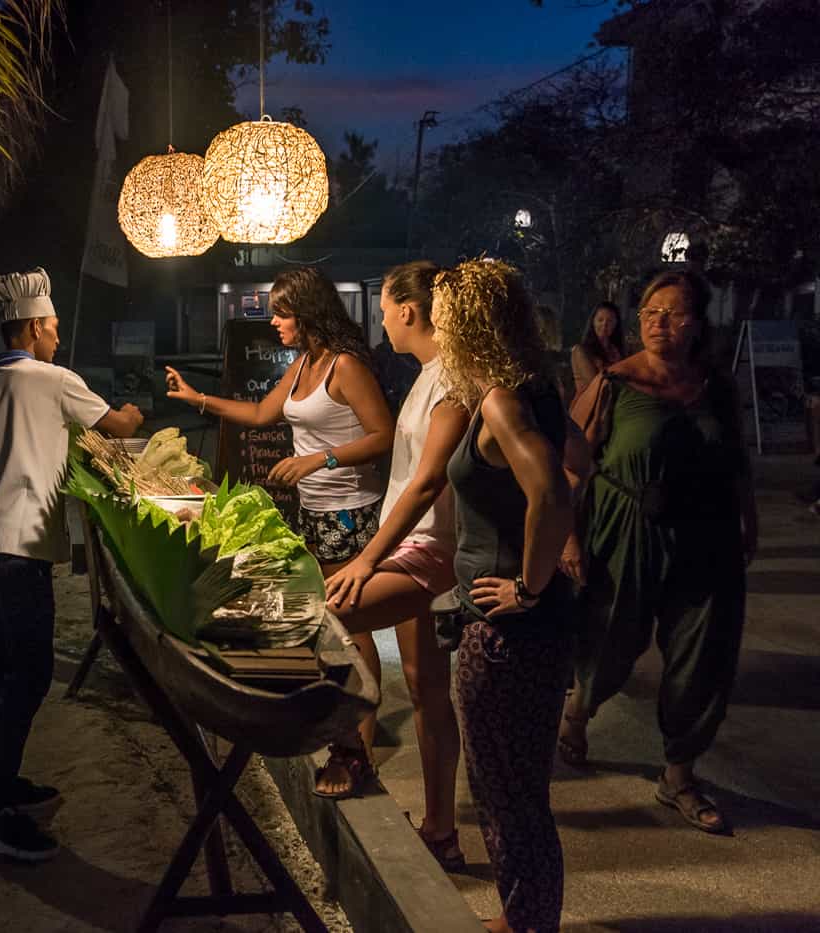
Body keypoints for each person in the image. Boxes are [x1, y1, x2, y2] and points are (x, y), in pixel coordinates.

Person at [0, 267, 142, 862]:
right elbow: (119, 427)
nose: (57, 338)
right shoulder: (57, 382)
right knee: (28, 675)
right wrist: (132, 409)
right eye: (52, 328)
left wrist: (4, 457)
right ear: (31, 327)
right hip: (25, 550)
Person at [166, 266, 394, 781]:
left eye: (280, 311)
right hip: (311, 513)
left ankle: (359, 748)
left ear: (307, 312)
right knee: (328, 625)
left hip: (350, 513)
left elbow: (385, 434)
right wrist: (195, 398)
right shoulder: (304, 364)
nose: (272, 321)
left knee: (347, 628)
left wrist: (320, 460)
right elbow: (261, 414)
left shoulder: (345, 366)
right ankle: (349, 738)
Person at [558, 270, 756, 836]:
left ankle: (679, 776)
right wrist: (569, 536)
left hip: (708, 532)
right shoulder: (613, 383)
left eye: (672, 313)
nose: (657, 322)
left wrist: (750, 519)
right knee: (610, 636)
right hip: (628, 527)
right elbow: (571, 466)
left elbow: (737, 456)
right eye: (649, 311)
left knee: (702, 651)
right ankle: (579, 709)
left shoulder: (716, 384)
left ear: (698, 324)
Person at [436, 259, 576, 933]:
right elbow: (580, 460)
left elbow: (551, 487)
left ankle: (527, 923)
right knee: (522, 791)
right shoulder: (538, 388)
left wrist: (527, 584)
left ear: (463, 325)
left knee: (506, 794)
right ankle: (525, 913)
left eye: (441, 316)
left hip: (505, 634)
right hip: (536, 631)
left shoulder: (500, 398)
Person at [321, 262, 469, 869]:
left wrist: (369, 554)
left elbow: (429, 480)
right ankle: (442, 831)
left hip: (429, 547)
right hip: (411, 542)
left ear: (408, 310)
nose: (380, 319)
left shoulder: (455, 379)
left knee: (331, 614)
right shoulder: (426, 373)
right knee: (426, 688)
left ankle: (347, 748)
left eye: (384, 308)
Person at [570, 301, 626, 398]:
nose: (604, 325)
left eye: (610, 321)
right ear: (593, 322)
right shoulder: (581, 350)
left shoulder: (617, 350)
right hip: (590, 406)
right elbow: (595, 384)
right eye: (600, 320)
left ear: (616, 324)